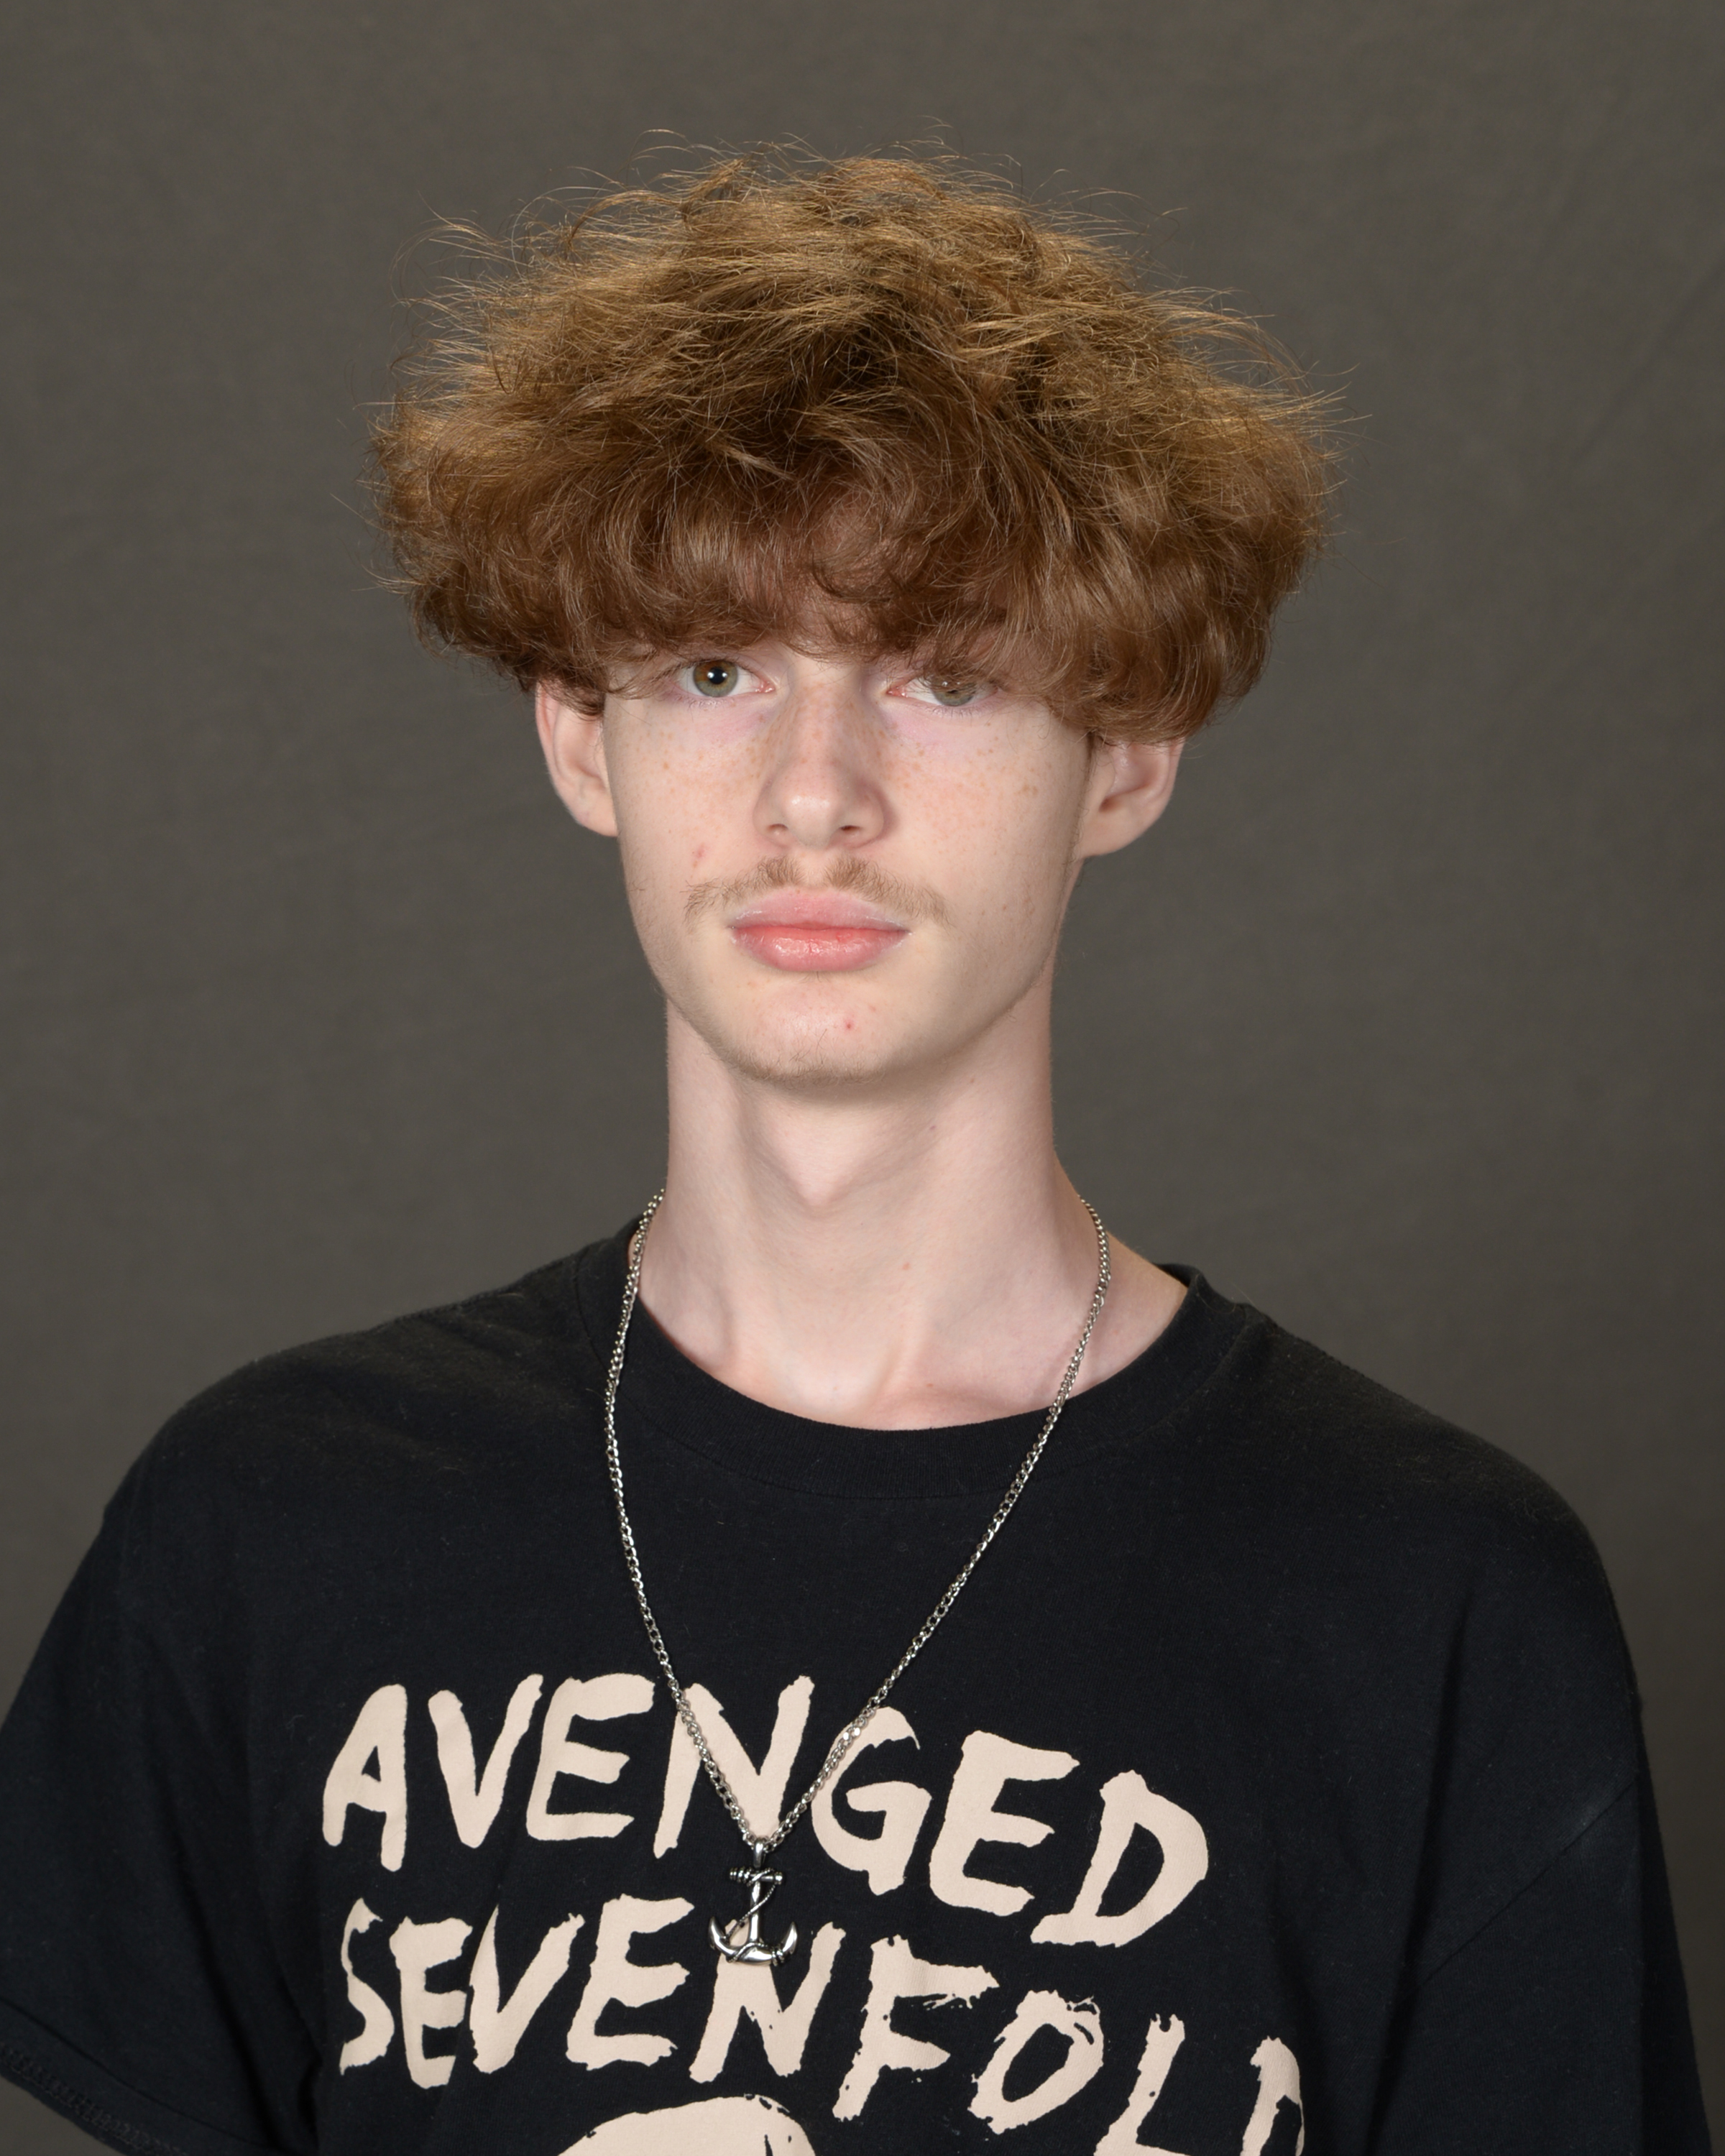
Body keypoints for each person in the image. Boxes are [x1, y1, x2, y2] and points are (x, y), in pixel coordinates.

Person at [0, 151, 1708, 2156]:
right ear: (581, 737)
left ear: (1127, 755)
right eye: (715, 673)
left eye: (947, 676)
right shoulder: (272, 1527)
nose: (817, 799)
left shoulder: (1432, 1601)